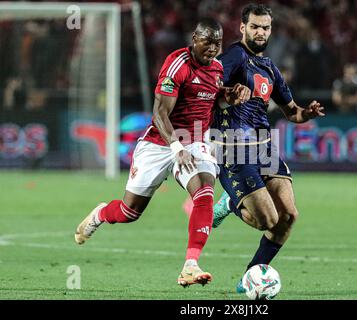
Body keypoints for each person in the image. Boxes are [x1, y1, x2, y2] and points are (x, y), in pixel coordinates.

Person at [74, 18, 250, 287]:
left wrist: (229, 97)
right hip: (160, 143)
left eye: (217, 42)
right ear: (194, 38)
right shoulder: (177, 64)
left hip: (194, 141)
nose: (213, 48)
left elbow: (211, 100)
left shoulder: (216, 68)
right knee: (129, 212)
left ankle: (190, 264)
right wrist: (176, 146)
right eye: (208, 41)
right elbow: (159, 113)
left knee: (204, 190)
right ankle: (100, 214)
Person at [210, 3, 325, 293]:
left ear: (270, 30)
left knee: (288, 216)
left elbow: (292, 112)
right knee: (266, 220)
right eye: (255, 26)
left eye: (265, 27)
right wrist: (226, 93)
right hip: (233, 148)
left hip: (265, 149)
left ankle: (250, 277)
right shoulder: (234, 56)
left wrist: (307, 113)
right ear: (243, 28)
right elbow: (208, 86)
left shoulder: (269, 67)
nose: (260, 32)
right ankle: (230, 203)